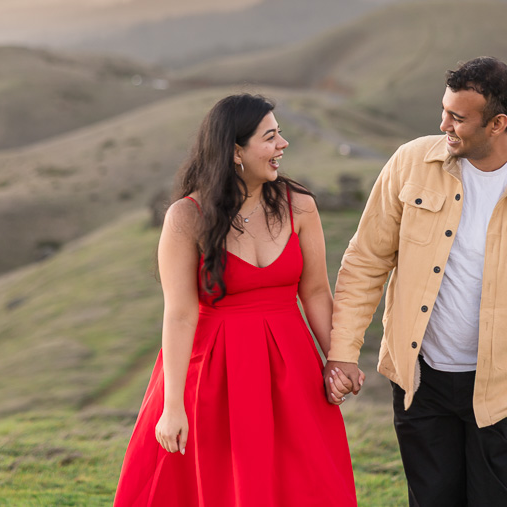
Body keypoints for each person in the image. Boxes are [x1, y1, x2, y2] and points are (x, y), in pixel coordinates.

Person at [323, 57, 507, 506]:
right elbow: (365, 263)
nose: (443, 124)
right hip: (419, 383)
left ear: (498, 123)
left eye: (458, 117)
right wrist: (343, 352)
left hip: (499, 391)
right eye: (444, 110)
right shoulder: (410, 164)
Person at [114, 93, 358, 506]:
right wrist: (172, 406)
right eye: (270, 137)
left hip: (291, 373)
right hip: (213, 376)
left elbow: (316, 291)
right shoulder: (186, 218)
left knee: (307, 484)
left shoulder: (300, 205)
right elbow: (179, 315)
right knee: (220, 486)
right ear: (235, 152)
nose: (282, 145)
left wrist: (340, 357)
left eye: (280, 134)